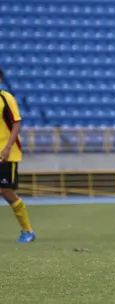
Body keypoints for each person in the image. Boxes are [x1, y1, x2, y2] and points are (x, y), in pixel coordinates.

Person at [0, 68, 35, 243]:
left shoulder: (5, 98)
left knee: (6, 191)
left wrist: (7, 147)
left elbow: (17, 123)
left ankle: (27, 230)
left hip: (6, 154)